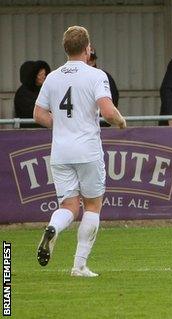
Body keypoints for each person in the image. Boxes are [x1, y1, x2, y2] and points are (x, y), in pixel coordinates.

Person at [34, 26, 127, 277]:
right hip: (87, 149)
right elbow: (108, 112)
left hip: (61, 151)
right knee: (93, 205)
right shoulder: (96, 75)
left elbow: (38, 114)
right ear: (88, 48)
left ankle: (53, 226)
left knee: (69, 206)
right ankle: (79, 265)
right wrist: (120, 121)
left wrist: (61, 124)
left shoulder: (53, 77)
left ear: (65, 49)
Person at [14, 60, 50, 128]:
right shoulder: (22, 94)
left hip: (43, 130)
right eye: (40, 75)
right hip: (29, 132)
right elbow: (36, 111)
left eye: (44, 74)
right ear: (33, 76)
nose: (44, 77)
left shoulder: (42, 90)